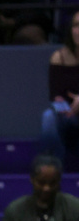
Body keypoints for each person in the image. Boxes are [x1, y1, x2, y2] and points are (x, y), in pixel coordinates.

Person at [41, 10, 79, 163]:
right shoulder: (59, 57)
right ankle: (52, 167)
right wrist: (68, 110)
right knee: (48, 116)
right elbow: (56, 96)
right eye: (76, 25)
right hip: (69, 113)